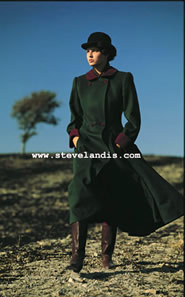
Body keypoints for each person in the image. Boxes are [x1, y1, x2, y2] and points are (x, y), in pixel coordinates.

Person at [66, 32, 184, 273]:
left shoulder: (123, 79)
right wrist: (76, 138)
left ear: (107, 53)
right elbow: (74, 120)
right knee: (78, 193)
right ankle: (76, 257)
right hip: (87, 148)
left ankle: (106, 258)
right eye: (87, 50)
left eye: (95, 50)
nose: (89, 54)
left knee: (111, 197)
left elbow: (134, 118)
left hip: (112, 147)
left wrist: (120, 144)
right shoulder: (79, 82)